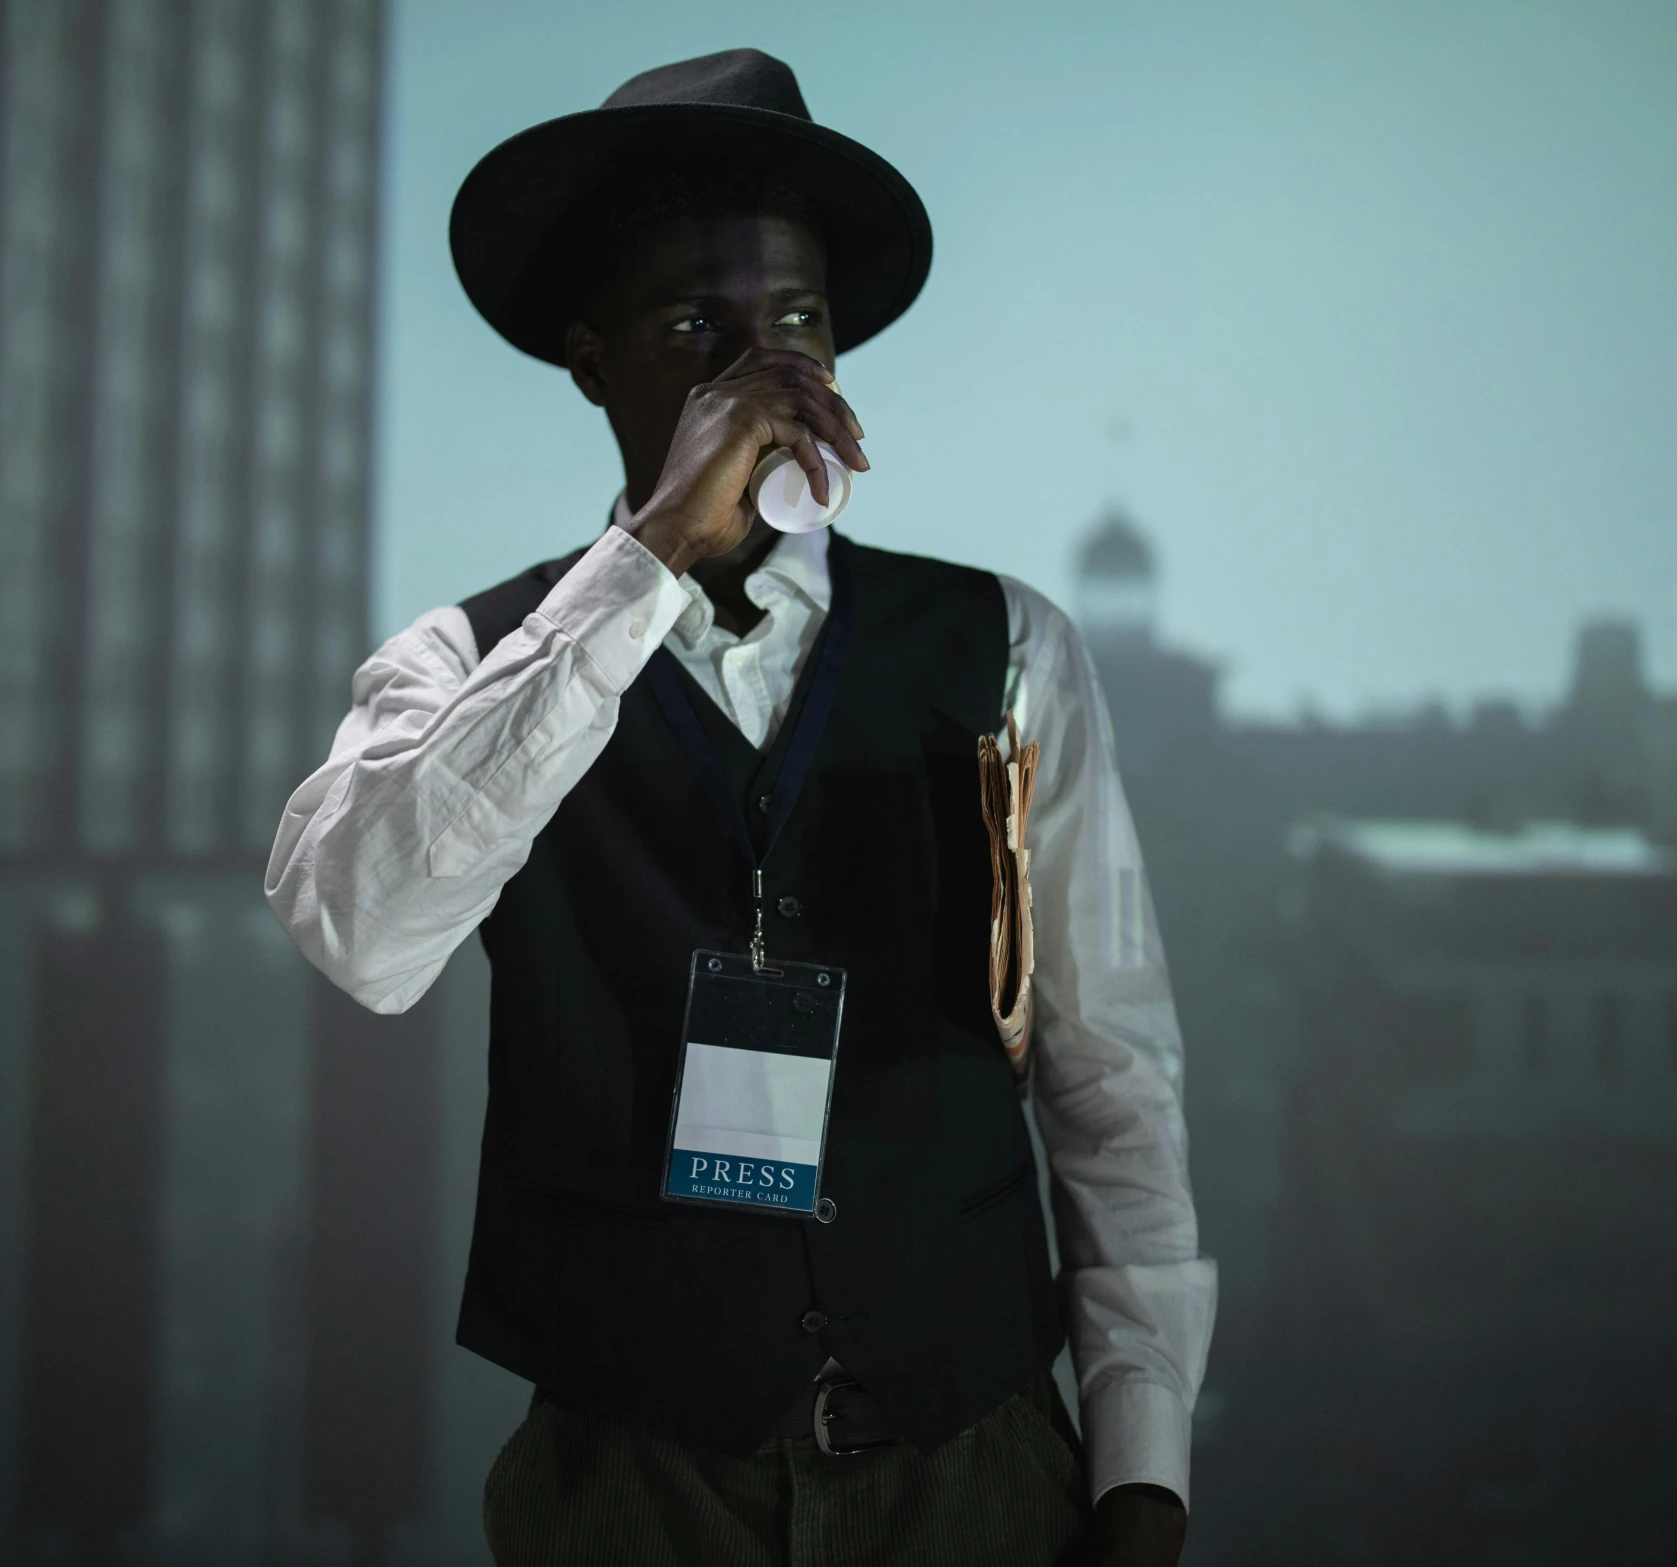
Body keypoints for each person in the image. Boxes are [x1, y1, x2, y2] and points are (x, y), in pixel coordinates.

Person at [267, 52, 1213, 1566]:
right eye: (694, 331)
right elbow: (359, 935)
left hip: (973, 1466)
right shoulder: (460, 662)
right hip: (634, 1491)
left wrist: (1141, 1467)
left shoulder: (1008, 644)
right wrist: (643, 558)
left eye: (796, 323)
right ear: (591, 361)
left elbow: (1112, 1077)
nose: (764, 376)